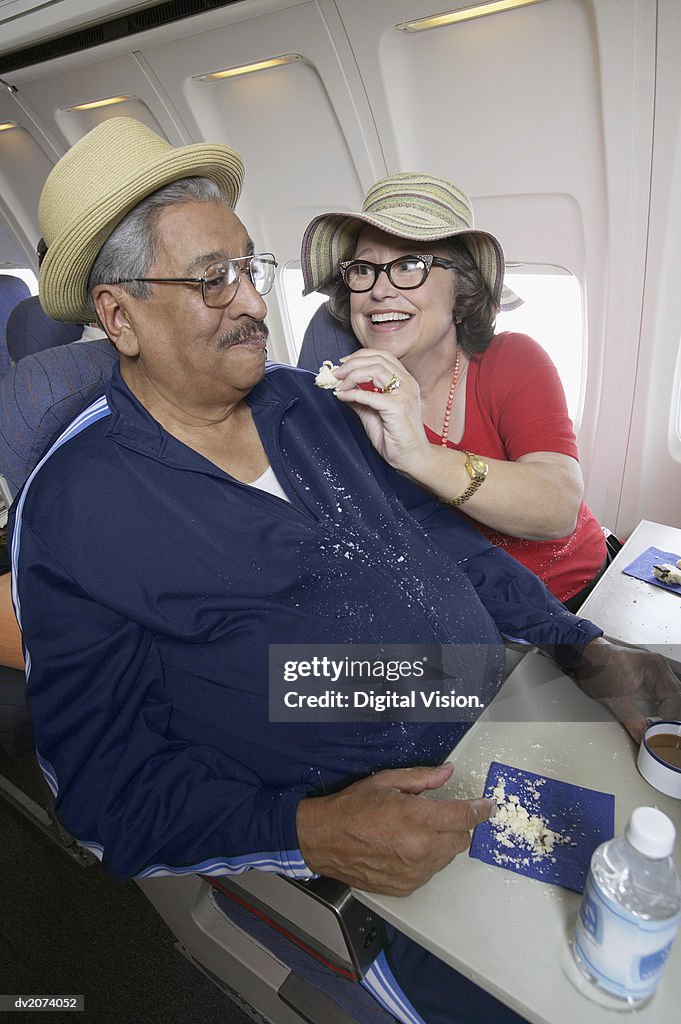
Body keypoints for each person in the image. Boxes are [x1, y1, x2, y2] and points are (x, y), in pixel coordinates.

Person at [8, 119, 681, 1024]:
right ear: (120, 316)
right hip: (377, 840)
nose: (251, 300)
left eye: (251, 266)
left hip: (496, 719)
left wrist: (588, 650)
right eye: (212, 279)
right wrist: (311, 832)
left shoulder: (303, 402)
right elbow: (102, 789)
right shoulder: (74, 512)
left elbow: (441, 544)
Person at [298, 174, 611, 610]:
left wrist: (420, 458)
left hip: (574, 594)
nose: (379, 290)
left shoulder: (513, 359)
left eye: (410, 265)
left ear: (461, 292)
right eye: (364, 270)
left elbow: (558, 508)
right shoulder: (346, 390)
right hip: (465, 614)